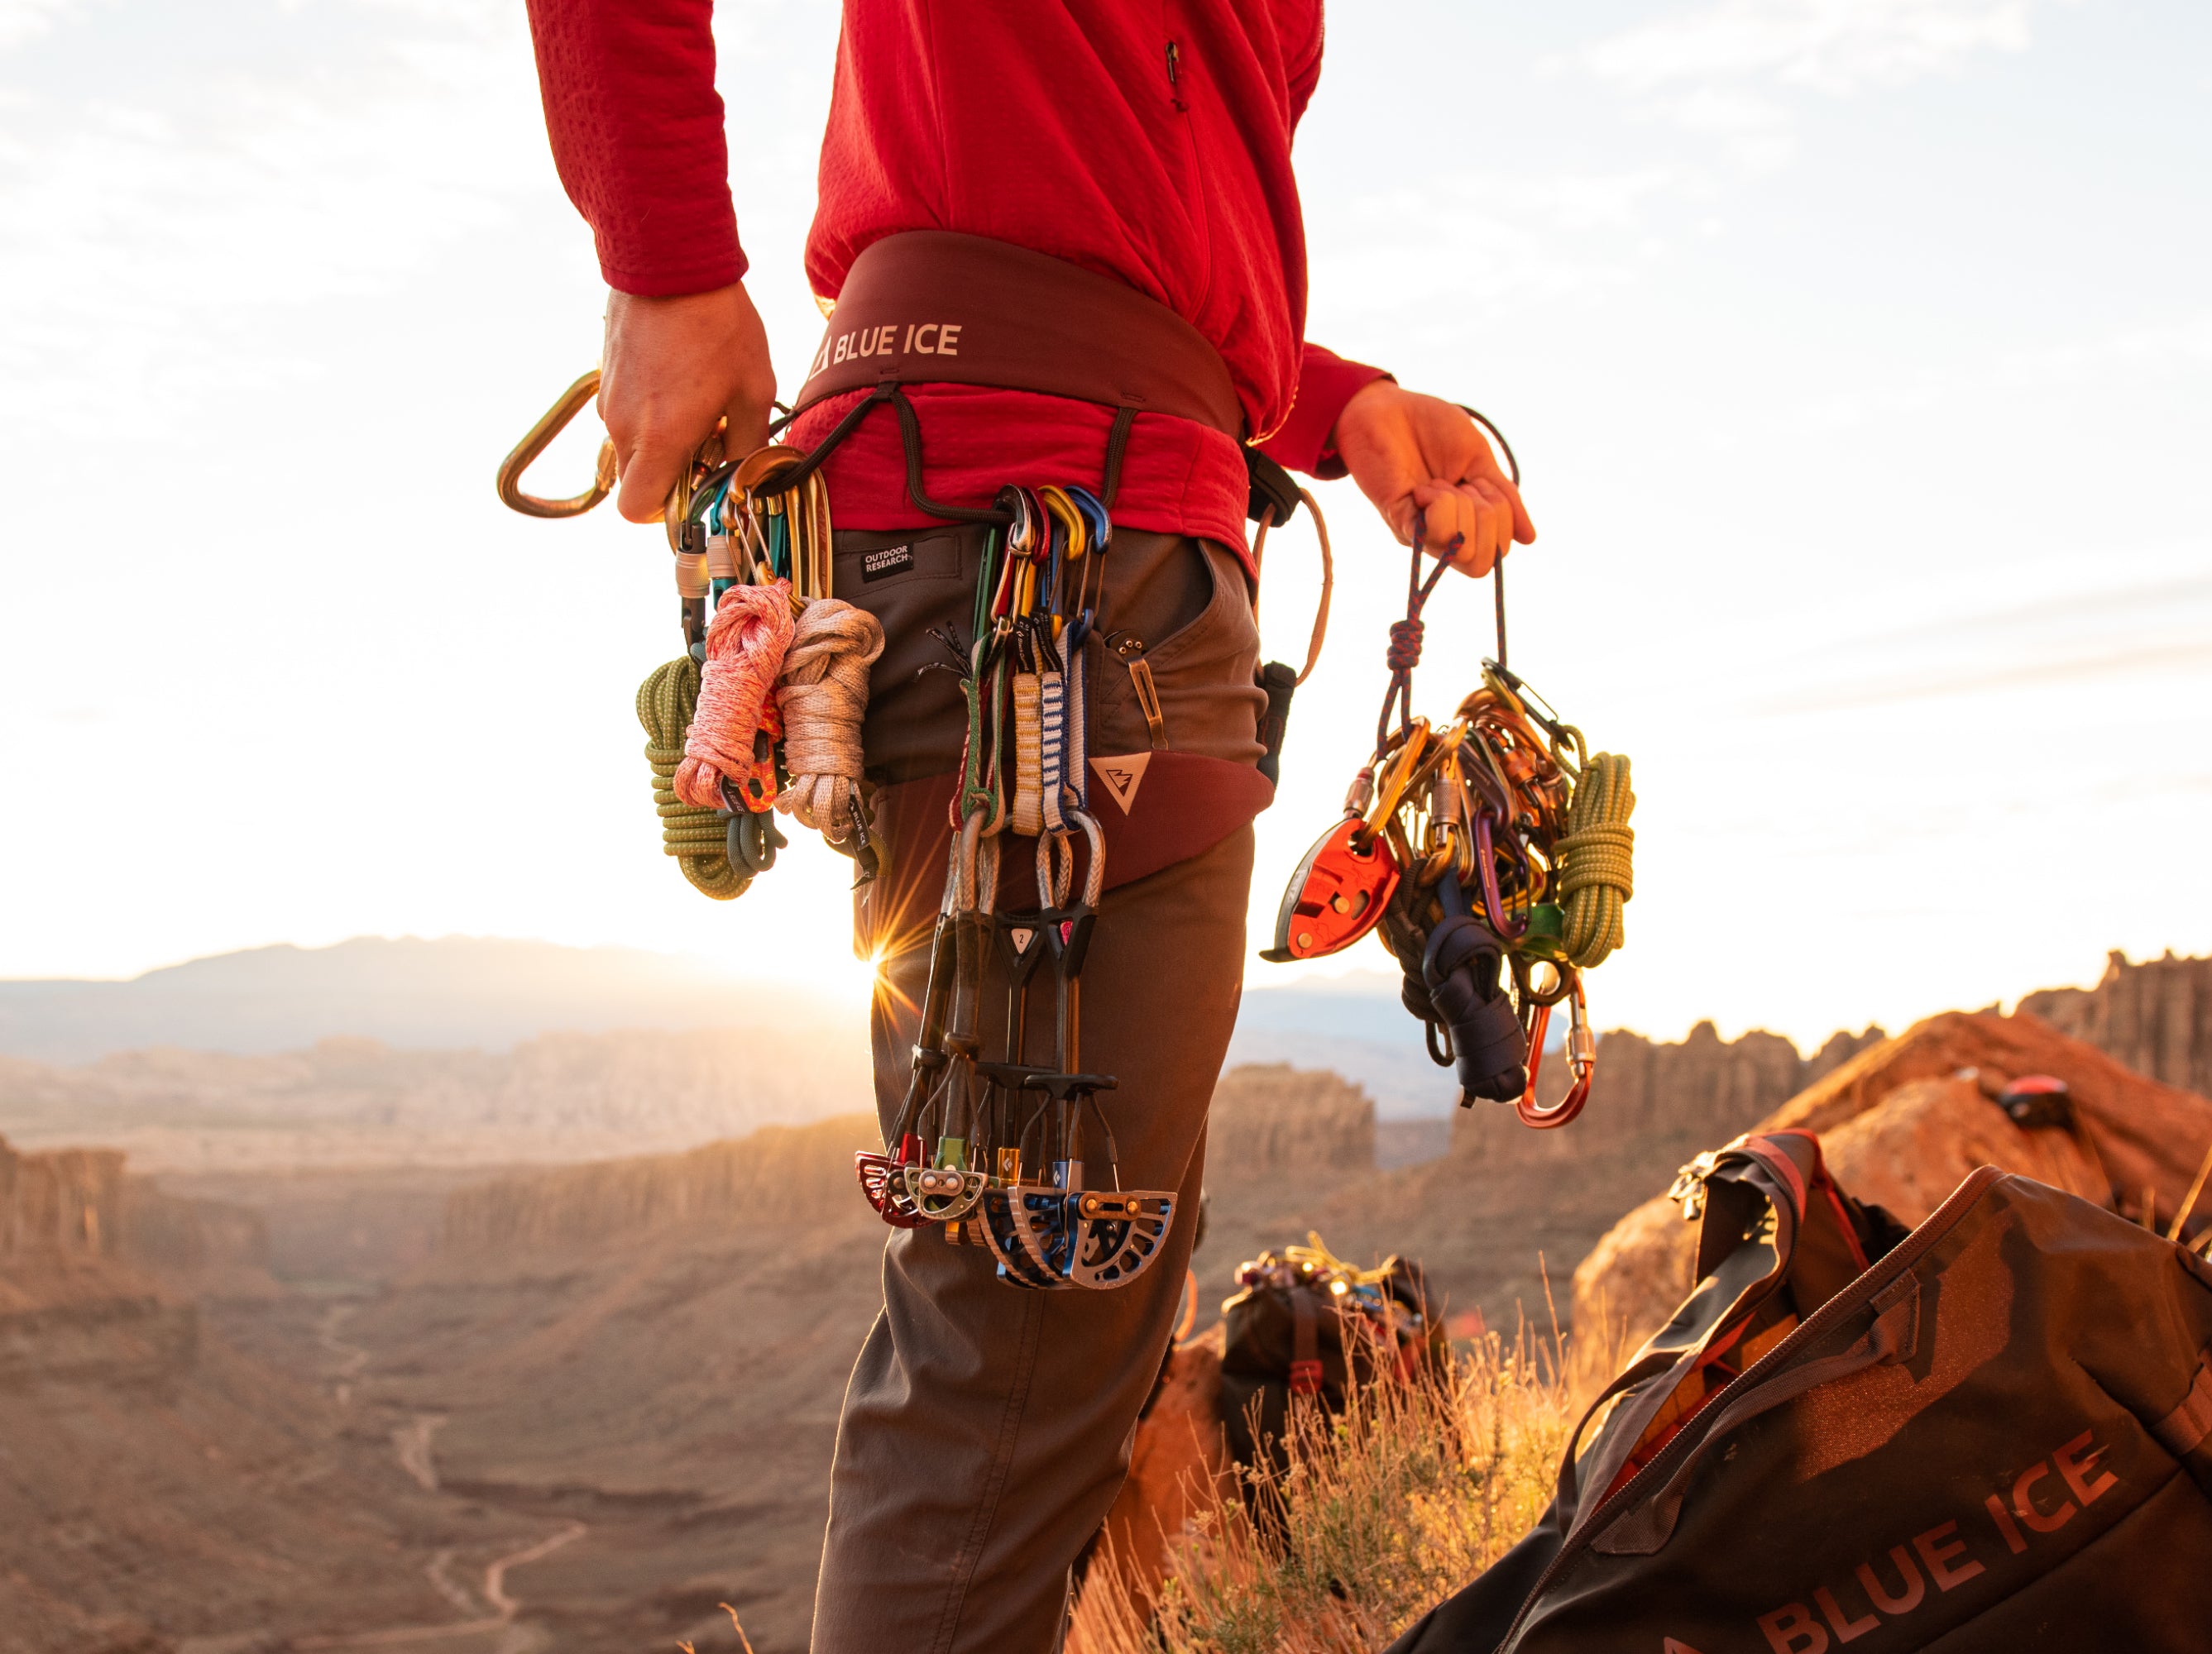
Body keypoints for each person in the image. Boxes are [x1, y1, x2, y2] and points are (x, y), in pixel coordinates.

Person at [518, 4, 1535, 1651]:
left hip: (1113, 537)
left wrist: (1328, 401)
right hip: (1052, 559)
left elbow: (1119, 190)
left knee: (1090, 1315)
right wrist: (665, 262)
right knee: (1014, 1358)